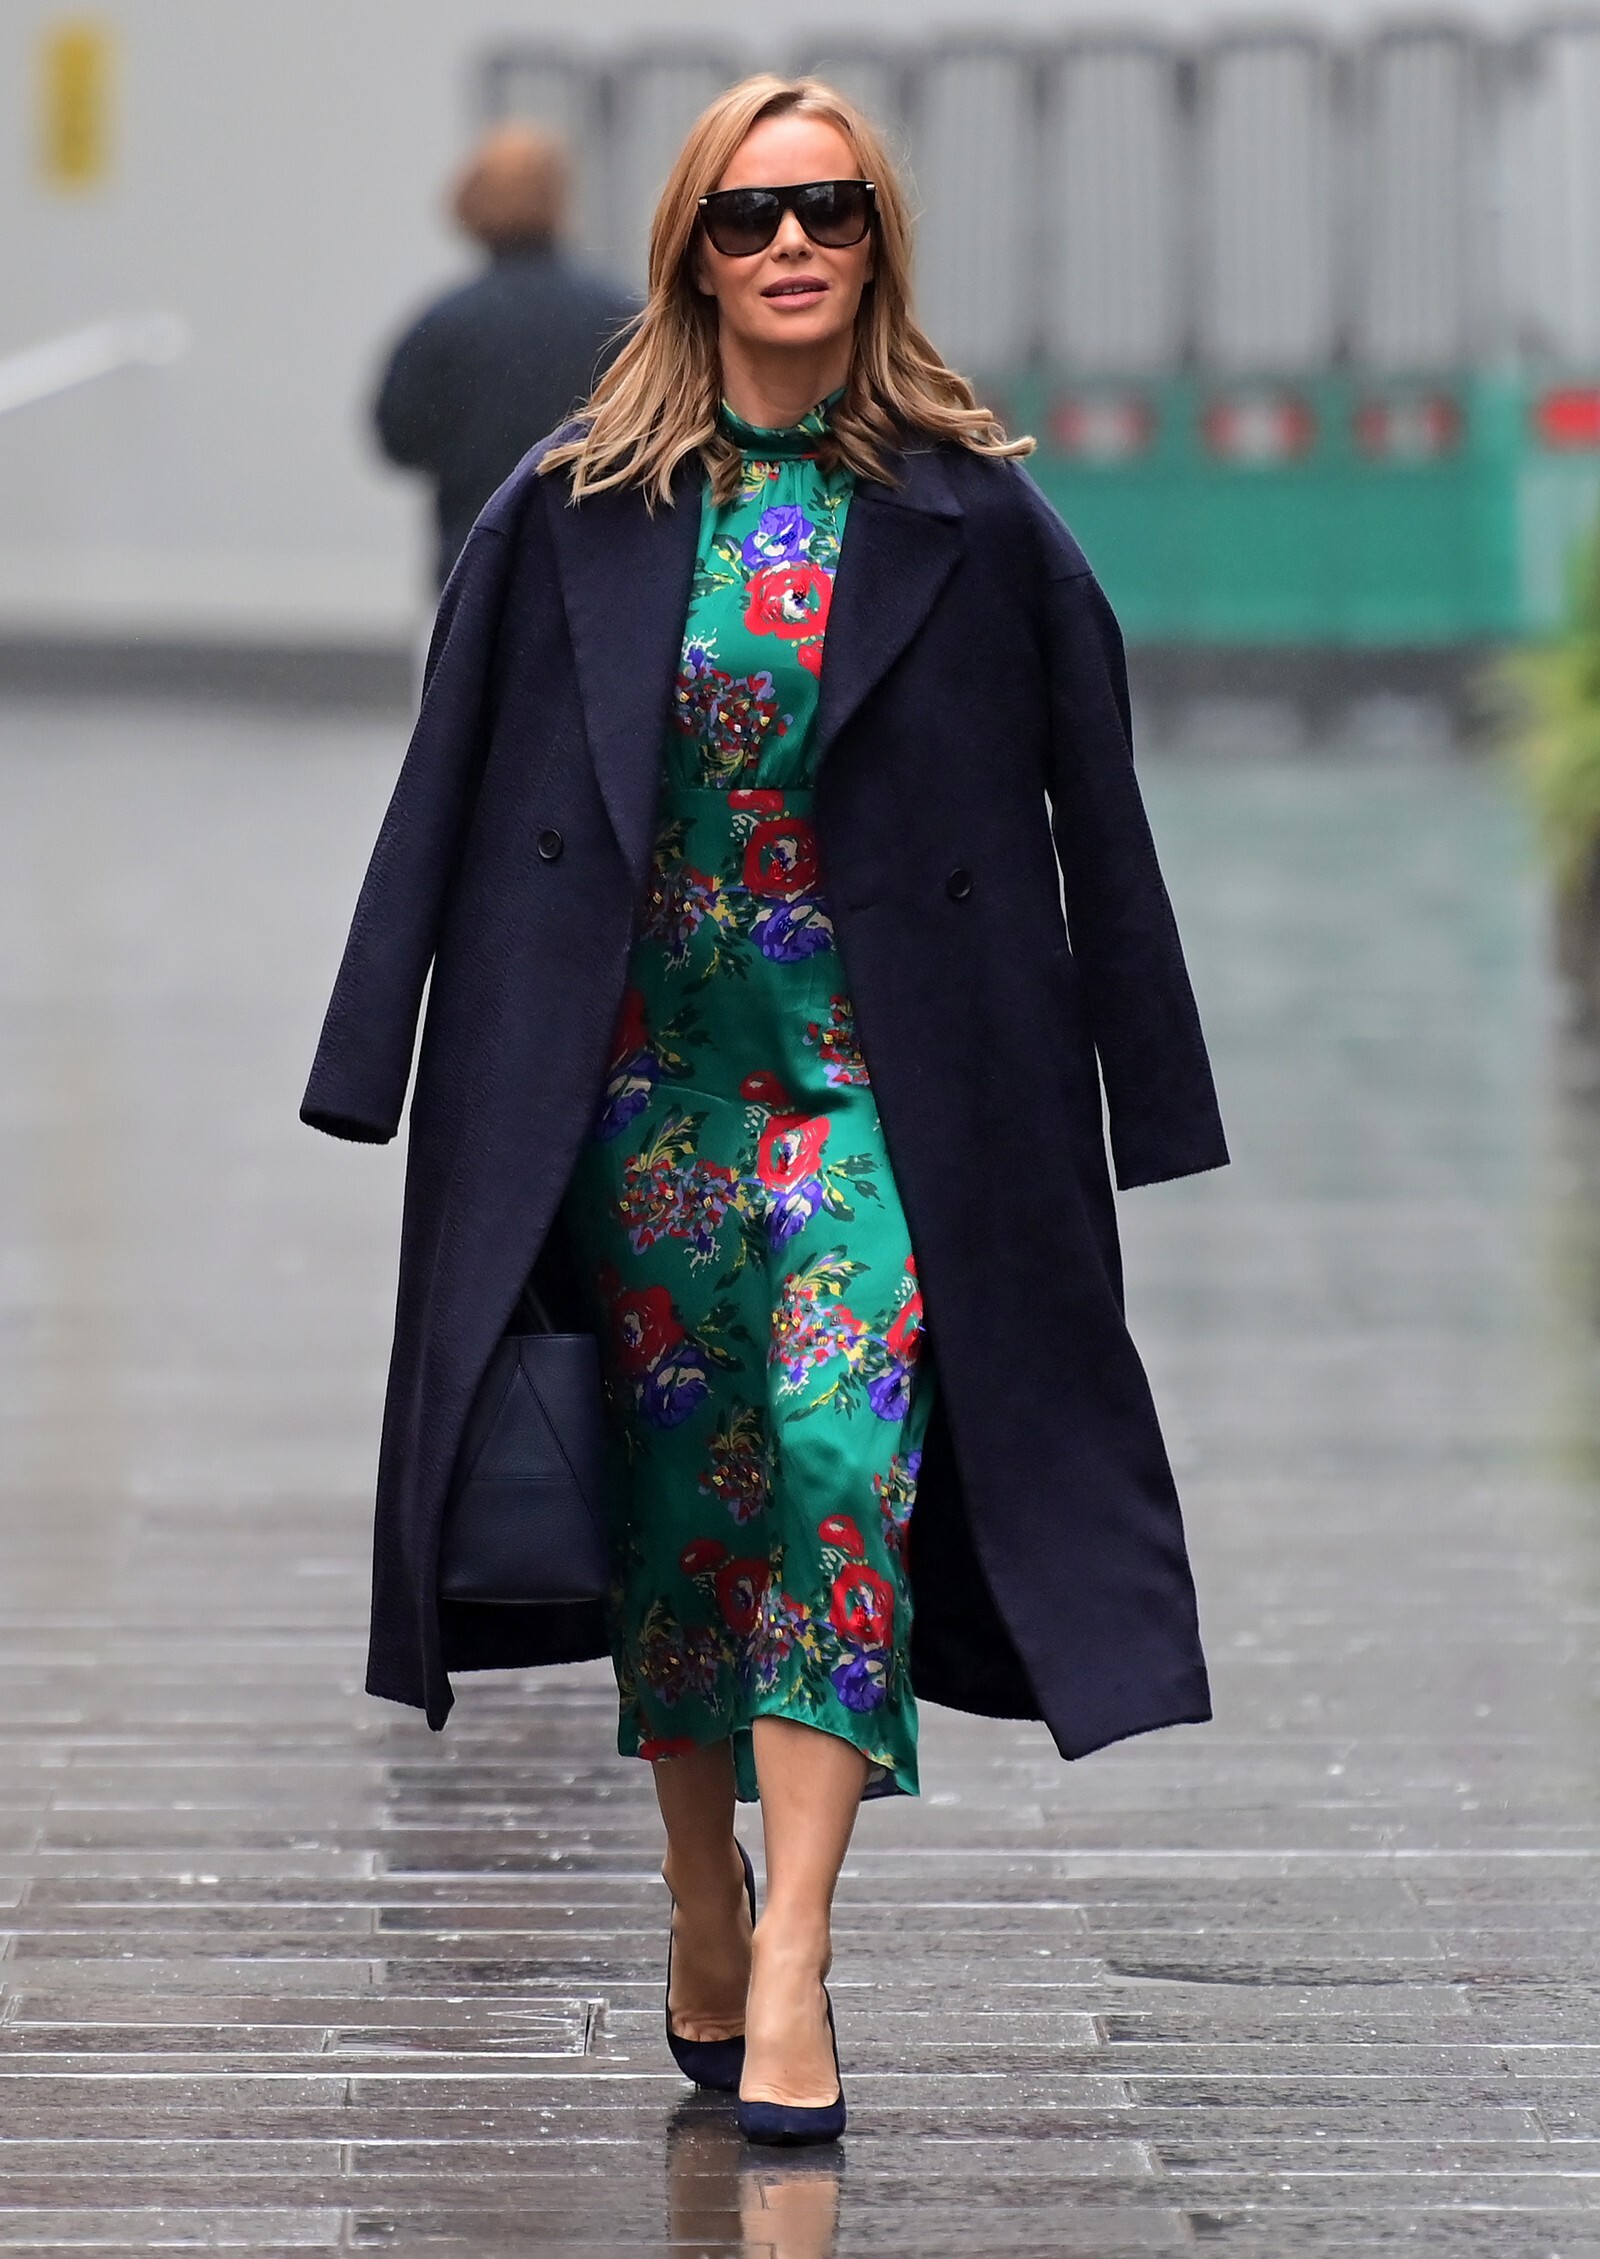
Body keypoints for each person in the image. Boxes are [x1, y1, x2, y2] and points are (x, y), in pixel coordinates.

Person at [302, 75, 1227, 2145]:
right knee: (683, 1515)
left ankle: (794, 1941)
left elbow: (1096, 797)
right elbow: (445, 780)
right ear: (690, 253)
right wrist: (371, 1054)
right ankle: (697, 1887)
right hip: (638, 1096)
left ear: (878, 242)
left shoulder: (975, 513)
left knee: (835, 1466)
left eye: (828, 210)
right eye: (748, 215)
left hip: (880, 1093)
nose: (790, 244)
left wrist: (1146, 1084)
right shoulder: (574, 499)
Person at [373, 123, 635, 587]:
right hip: (596, 568)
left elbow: (397, 438)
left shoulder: (444, 325)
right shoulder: (619, 317)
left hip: (474, 569)